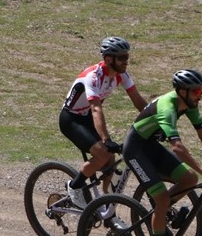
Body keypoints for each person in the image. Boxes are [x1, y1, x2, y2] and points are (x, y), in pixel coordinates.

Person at [122, 69, 202, 236]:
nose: (200, 95)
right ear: (183, 91)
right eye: (197, 91)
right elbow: (177, 147)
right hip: (135, 151)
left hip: (151, 147)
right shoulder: (167, 108)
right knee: (162, 199)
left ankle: (160, 212)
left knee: (189, 179)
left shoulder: (189, 104)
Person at [59, 36, 147, 208]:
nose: (126, 61)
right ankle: (75, 186)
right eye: (121, 57)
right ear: (108, 59)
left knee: (110, 160)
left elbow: (138, 101)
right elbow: (96, 109)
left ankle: (106, 203)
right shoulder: (93, 77)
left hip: (87, 118)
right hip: (71, 119)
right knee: (103, 153)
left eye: (127, 56)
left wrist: (156, 121)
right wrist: (106, 140)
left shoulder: (121, 75)